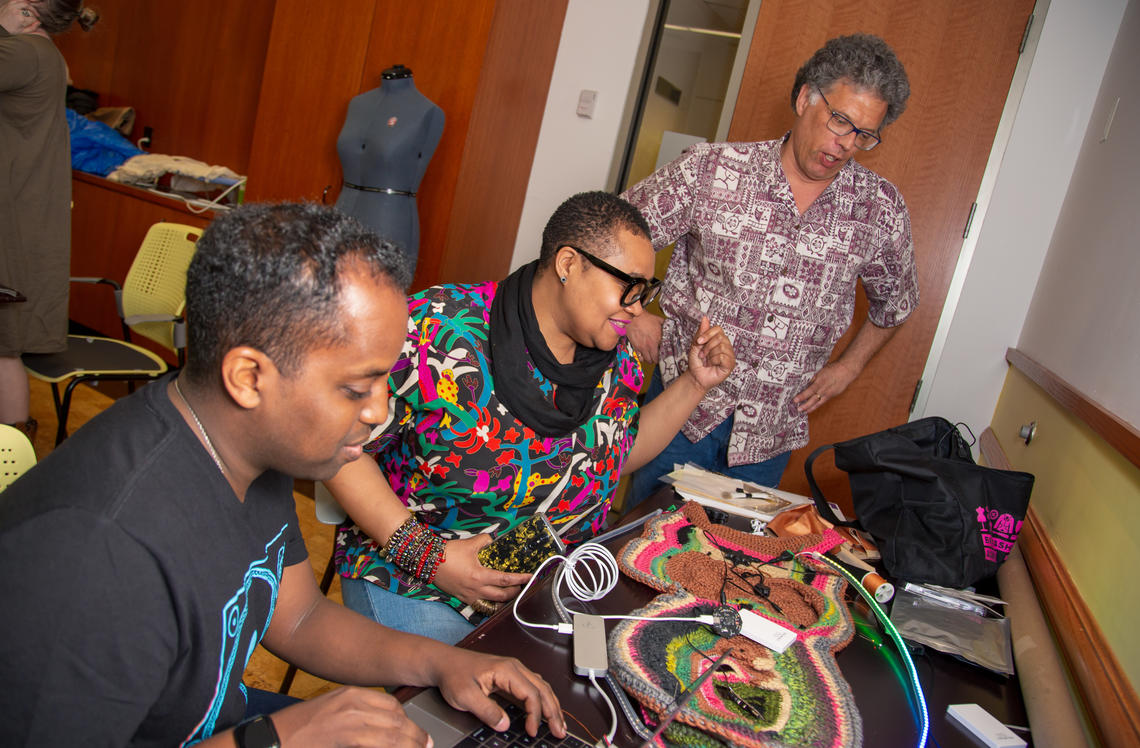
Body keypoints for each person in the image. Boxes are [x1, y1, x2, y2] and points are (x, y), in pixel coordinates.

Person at [0, 203, 566, 747]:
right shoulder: (98, 555)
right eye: (355, 388)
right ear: (249, 377)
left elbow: (297, 617)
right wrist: (278, 738)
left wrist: (445, 661)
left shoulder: (253, 448)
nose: (378, 412)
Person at [328, 191, 736, 644]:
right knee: (471, 700)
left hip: (543, 598)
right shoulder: (440, 330)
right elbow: (337, 445)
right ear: (568, 264)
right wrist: (432, 558)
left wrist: (694, 385)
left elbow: (615, 454)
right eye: (629, 286)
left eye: (646, 291)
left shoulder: (617, 363)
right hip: (416, 583)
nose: (638, 307)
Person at [622, 33, 919, 507]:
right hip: (680, 412)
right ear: (805, 98)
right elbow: (612, 239)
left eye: (863, 135)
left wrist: (850, 366)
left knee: (730, 569)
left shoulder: (879, 210)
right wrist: (633, 316)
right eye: (839, 121)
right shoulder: (712, 170)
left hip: (768, 437)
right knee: (640, 550)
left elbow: (896, 303)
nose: (845, 145)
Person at [0, 0, 98, 443]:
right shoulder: (43, 54)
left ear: (27, 15)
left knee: (3, 348)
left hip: (13, 221)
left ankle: (10, 456)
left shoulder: (23, 52)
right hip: (20, 214)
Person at [335, 63, 444, 276]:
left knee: (378, 291)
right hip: (342, 209)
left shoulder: (427, 111)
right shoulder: (357, 104)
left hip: (388, 216)